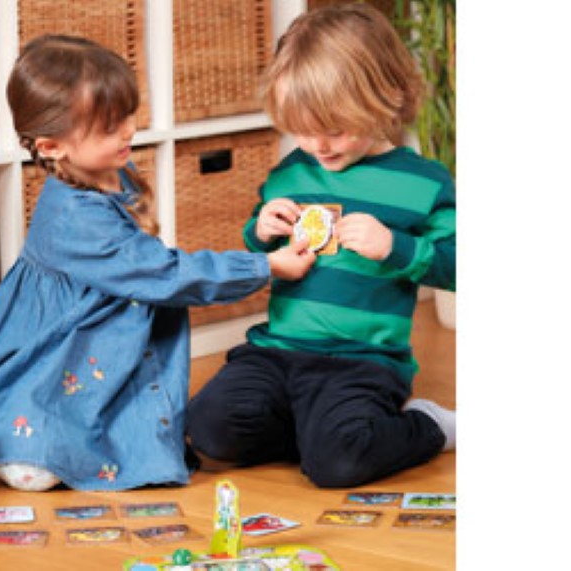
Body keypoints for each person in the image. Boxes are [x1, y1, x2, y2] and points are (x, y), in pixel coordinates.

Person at [0, 35, 314, 492]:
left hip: (106, 339)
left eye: (128, 114)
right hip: (63, 346)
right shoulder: (74, 216)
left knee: (115, 417)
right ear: (52, 147)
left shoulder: (108, 171)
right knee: (42, 452)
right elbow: (166, 273)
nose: (129, 130)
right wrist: (265, 267)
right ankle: (25, 441)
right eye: (109, 127)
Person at [186, 3, 457, 488]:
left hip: (362, 361)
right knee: (208, 430)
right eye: (302, 130)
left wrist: (397, 247)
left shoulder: (424, 182)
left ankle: (429, 426)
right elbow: (259, 239)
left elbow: (456, 266)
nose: (318, 145)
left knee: (339, 465)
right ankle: (319, 430)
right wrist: (261, 230)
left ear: (386, 97)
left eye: (334, 129)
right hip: (278, 351)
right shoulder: (290, 172)